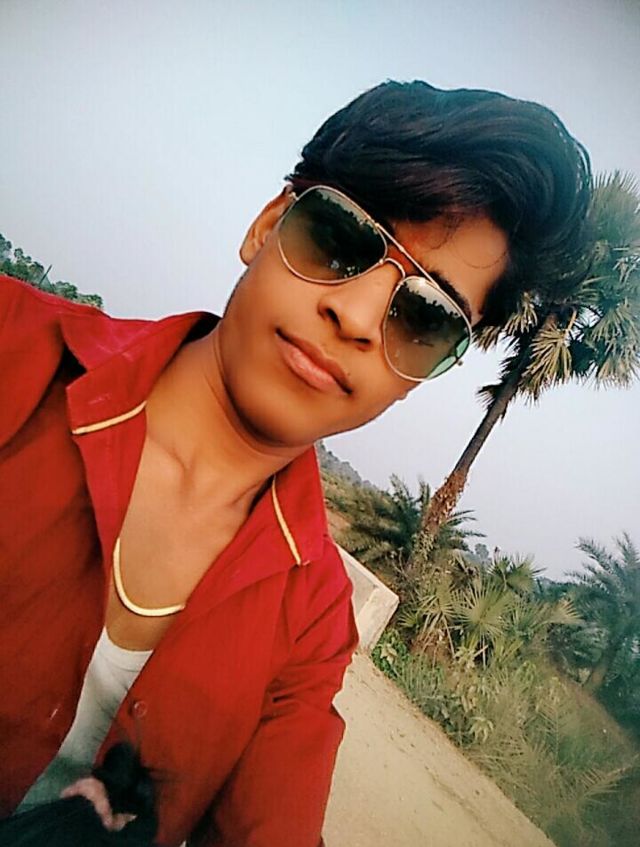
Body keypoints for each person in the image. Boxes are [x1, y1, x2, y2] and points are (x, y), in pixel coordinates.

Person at [0, 79, 591, 846]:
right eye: (339, 238)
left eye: (423, 315)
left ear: (426, 372)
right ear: (266, 225)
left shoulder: (312, 626)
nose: (354, 315)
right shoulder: (13, 349)